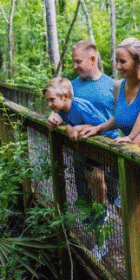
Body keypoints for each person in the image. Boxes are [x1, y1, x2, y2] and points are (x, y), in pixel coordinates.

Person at [45, 77, 116, 212]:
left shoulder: (80, 107)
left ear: (65, 97)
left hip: (108, 142)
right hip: (92, 146)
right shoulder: (62, 110)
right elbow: (67, 123)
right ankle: (100, 211)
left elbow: (98, 126)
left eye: (52, 99)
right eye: (48, 100)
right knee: (90, 177)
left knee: (100, 179)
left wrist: (75, 128)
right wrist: (67, 127)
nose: (49, 104)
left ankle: (103, 210)